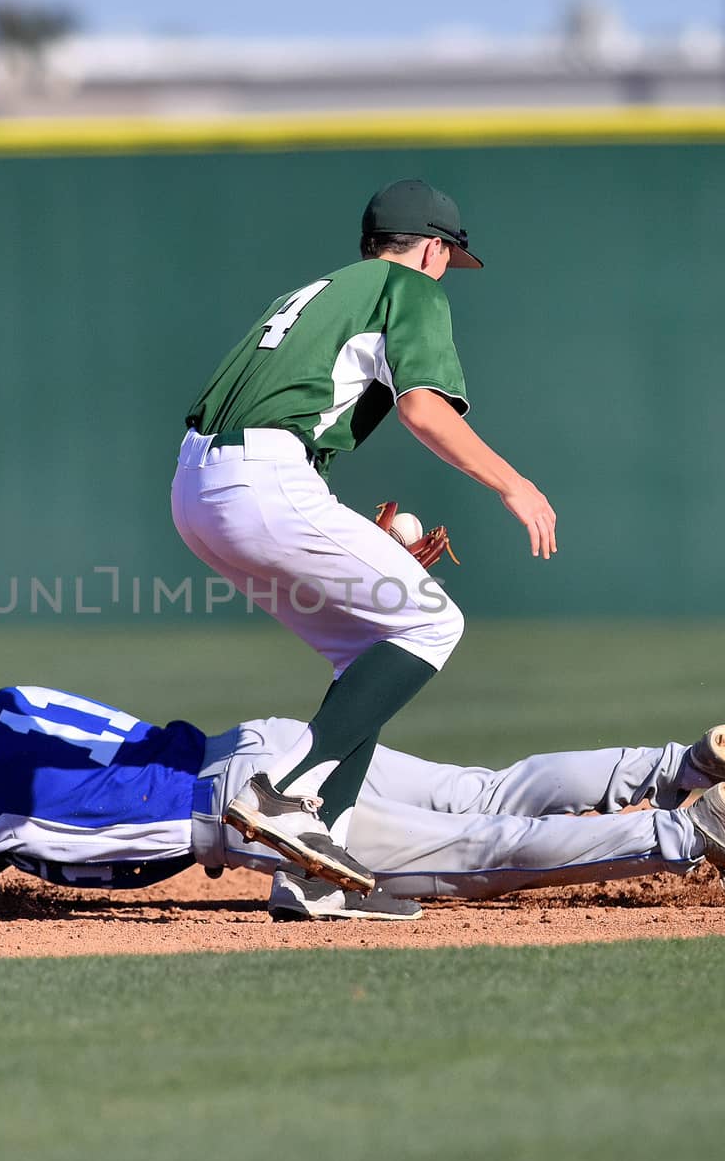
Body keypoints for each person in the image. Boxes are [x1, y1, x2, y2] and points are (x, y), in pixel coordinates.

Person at [0, 636, 725, 921]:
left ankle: (693, 834)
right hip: (256, 742)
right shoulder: (15, 709)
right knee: (487, 790)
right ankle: (679, 765)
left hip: (254, 811)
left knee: (469, 858)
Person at [172, 178, 559, 895]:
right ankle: (278, 791)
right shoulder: (409, 289)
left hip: (202, 483)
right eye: (448, 257)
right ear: (436, 249)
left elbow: (279, 417)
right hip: (264, 480)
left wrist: (347, 539)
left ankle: (317, 878)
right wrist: (514, 483)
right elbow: (422, 410)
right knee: (433, 622)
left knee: (368, 648)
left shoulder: (321, 290)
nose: (447, 272)